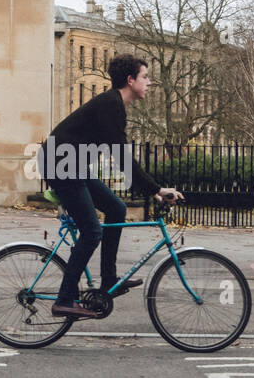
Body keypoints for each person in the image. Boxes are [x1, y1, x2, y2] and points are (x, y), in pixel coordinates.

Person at [37, 54, 184, 319]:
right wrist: (157, 190)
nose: (149, 83)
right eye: (145, 77)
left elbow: (120, 158)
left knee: (116, 208)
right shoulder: (110, 106)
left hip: (72, 167)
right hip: (60, 166)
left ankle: (108, 280)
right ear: (130, 80)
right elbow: (124, 159)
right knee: (92, 231)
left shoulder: (114, 105)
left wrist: (152, 188)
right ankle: (65, 299)